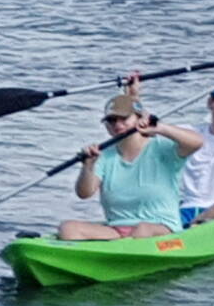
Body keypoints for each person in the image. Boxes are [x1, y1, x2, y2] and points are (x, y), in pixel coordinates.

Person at [59, 79, 203, 240]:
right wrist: (88, 167)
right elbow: (84, 193)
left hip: (162, 227)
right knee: (68, 228)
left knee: (142, 230)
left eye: (123, 119)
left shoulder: (162, 146)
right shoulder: (103, 155)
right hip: (117, 228)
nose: (117, 125)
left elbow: (197, 142)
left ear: (138, 118)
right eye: (112, 120)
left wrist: (160, 127)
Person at [179, 75, 214, 226]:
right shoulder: (190, 133)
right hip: (187, 209)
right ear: (211, 103)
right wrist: (133, 96)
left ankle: (199, 223)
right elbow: (144, 129)